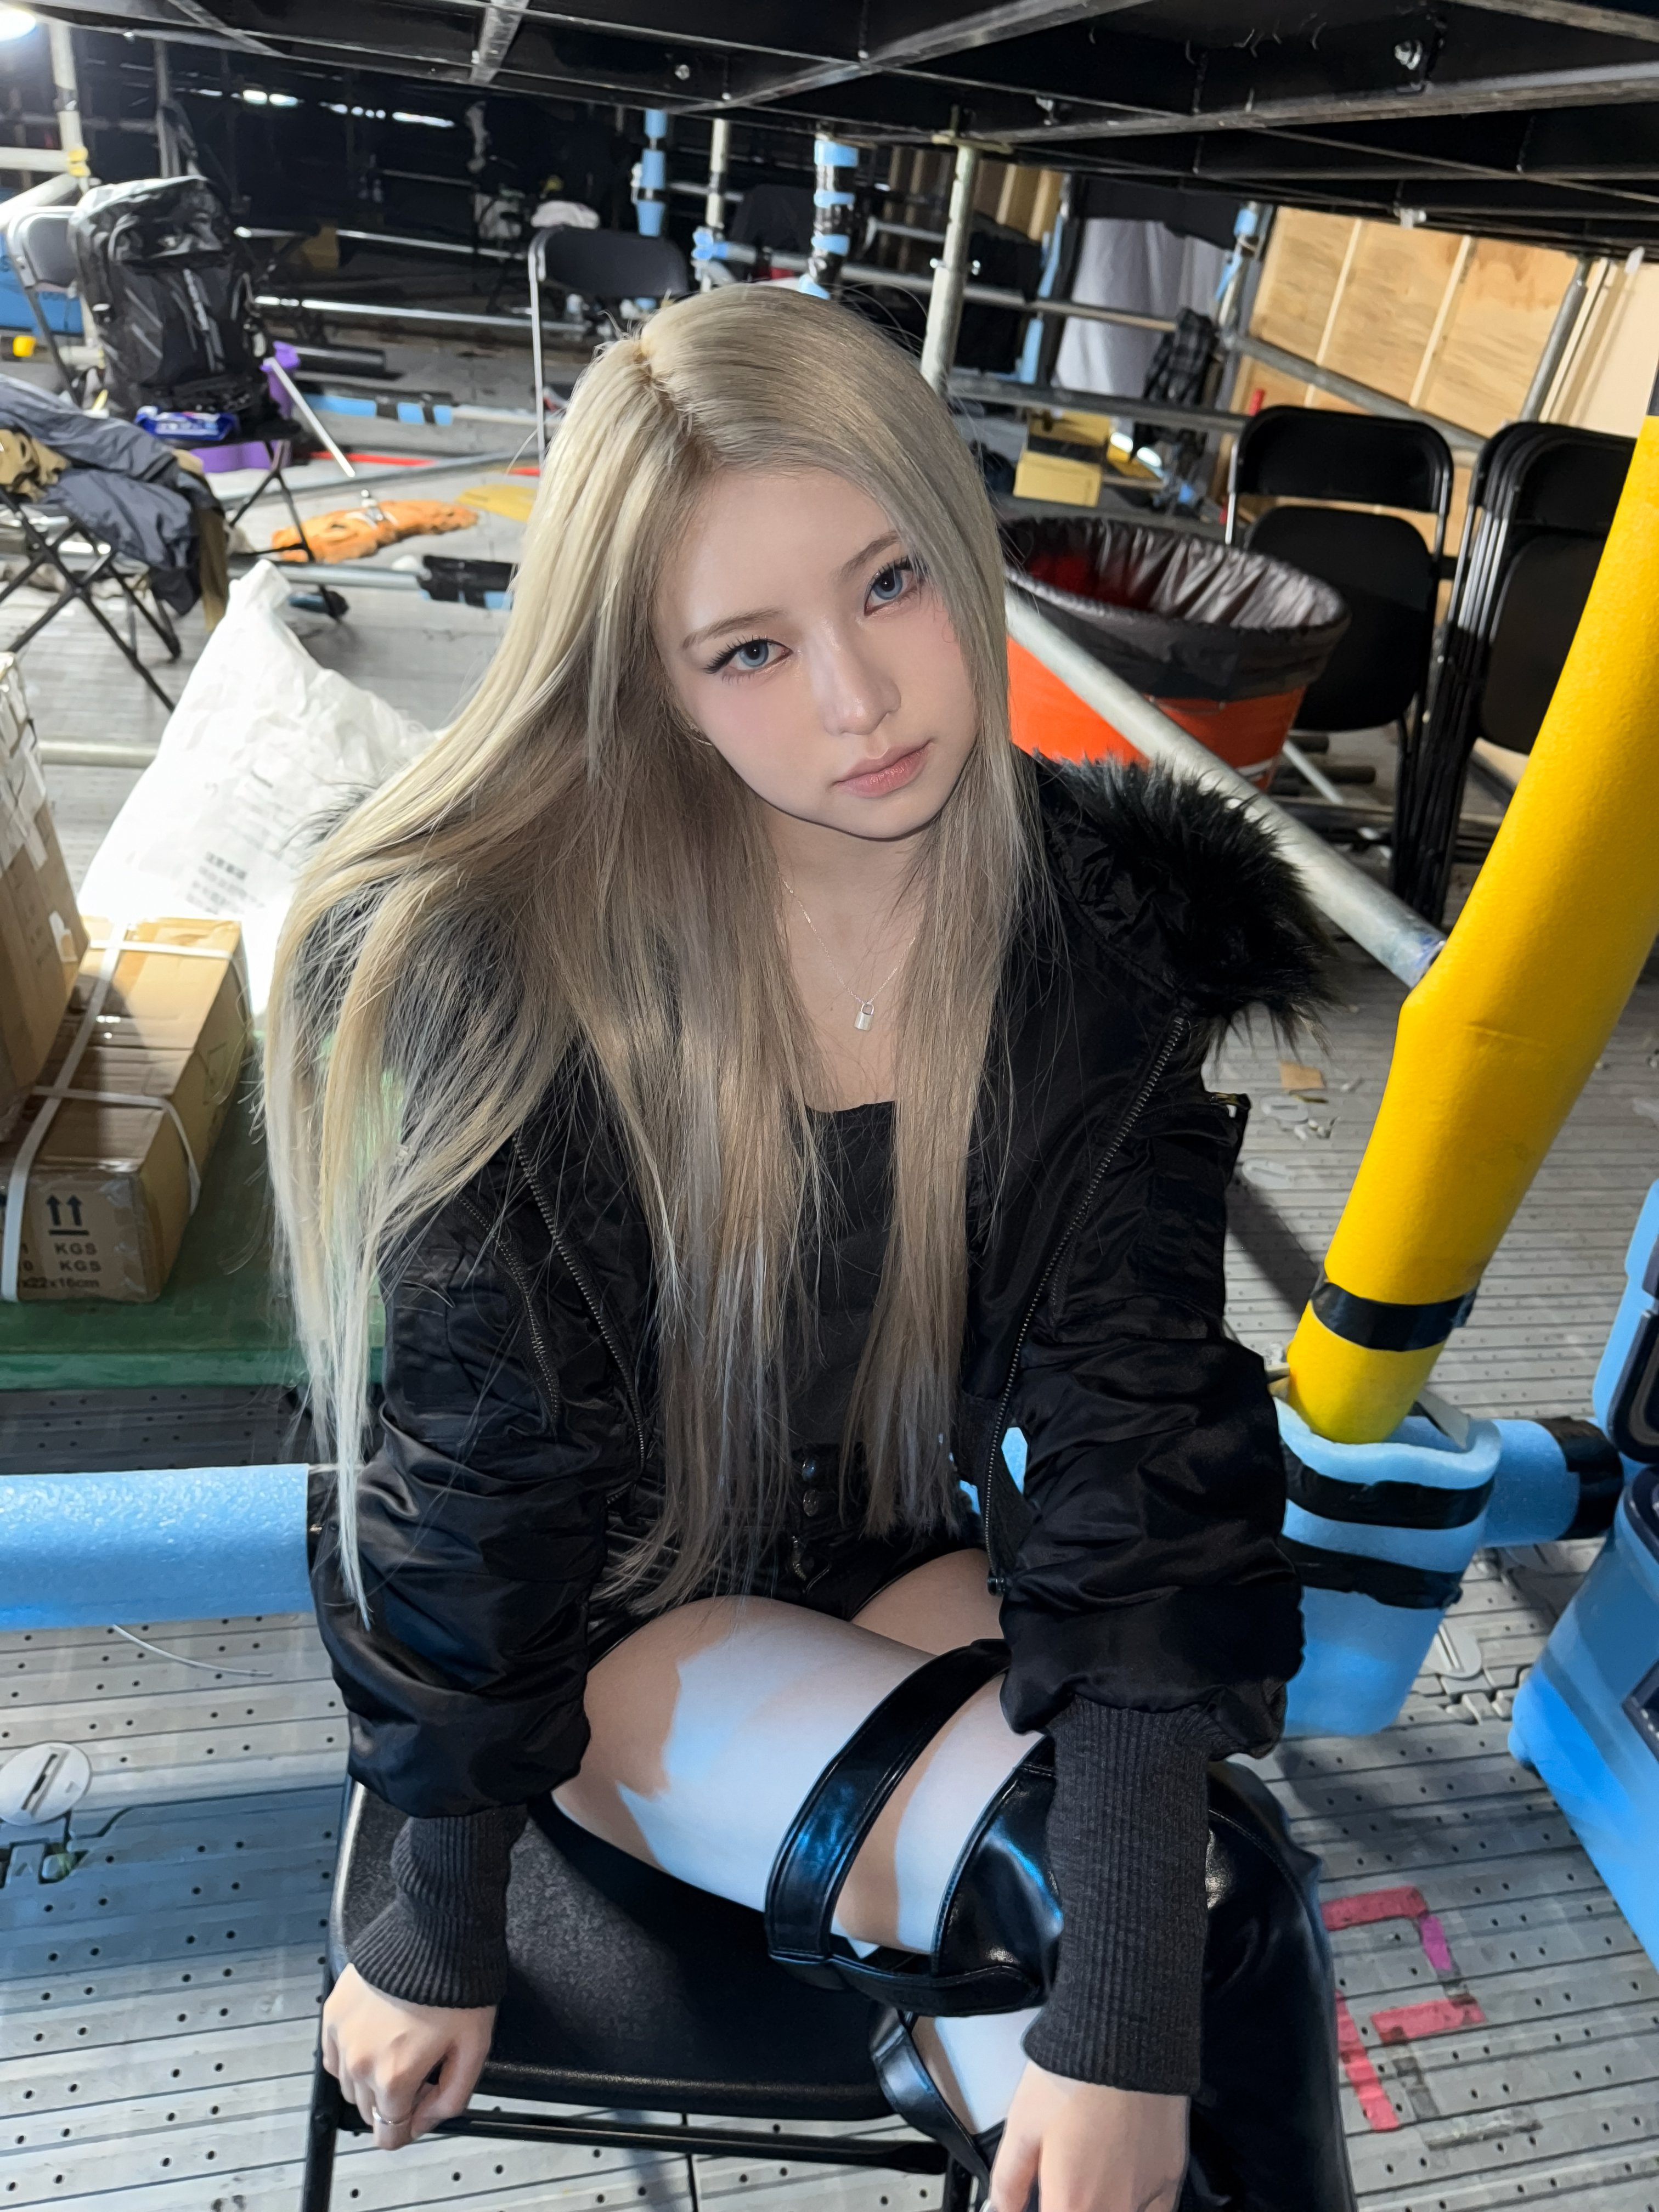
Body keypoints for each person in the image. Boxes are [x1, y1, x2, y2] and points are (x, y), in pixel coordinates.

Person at [267, 283, 1352, 2212]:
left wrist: (1121, 2025)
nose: (860, 702)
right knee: (1163, 1930)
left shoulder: (1090, 941)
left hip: (920, 1563)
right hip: (616, 1628)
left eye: (890, 586)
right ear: (650, 681)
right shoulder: (519, 975)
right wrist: (439, 1913)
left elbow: (1132, 1437)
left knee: (1158, 1950)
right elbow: (471, 1476)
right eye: (750, 649)